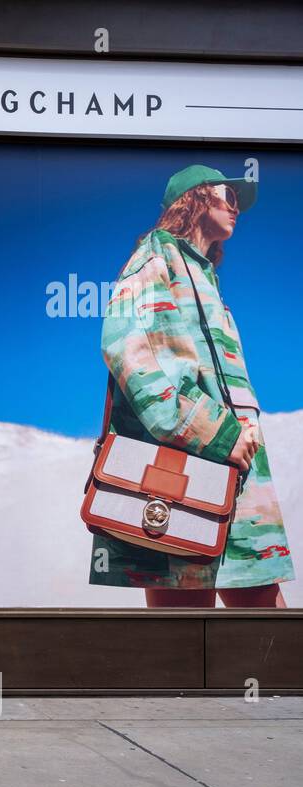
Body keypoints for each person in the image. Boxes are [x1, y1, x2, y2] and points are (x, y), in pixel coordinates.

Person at [89, 164, 294, 606]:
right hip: (181, 470)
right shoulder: (155, 257)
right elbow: (128, 348)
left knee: (269, 631)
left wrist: (241, 434)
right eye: (229, 196)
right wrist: (215, 435)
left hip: (237, 470)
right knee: (182, 637)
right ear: (197, 198)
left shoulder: (206, 278)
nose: (236, 208)